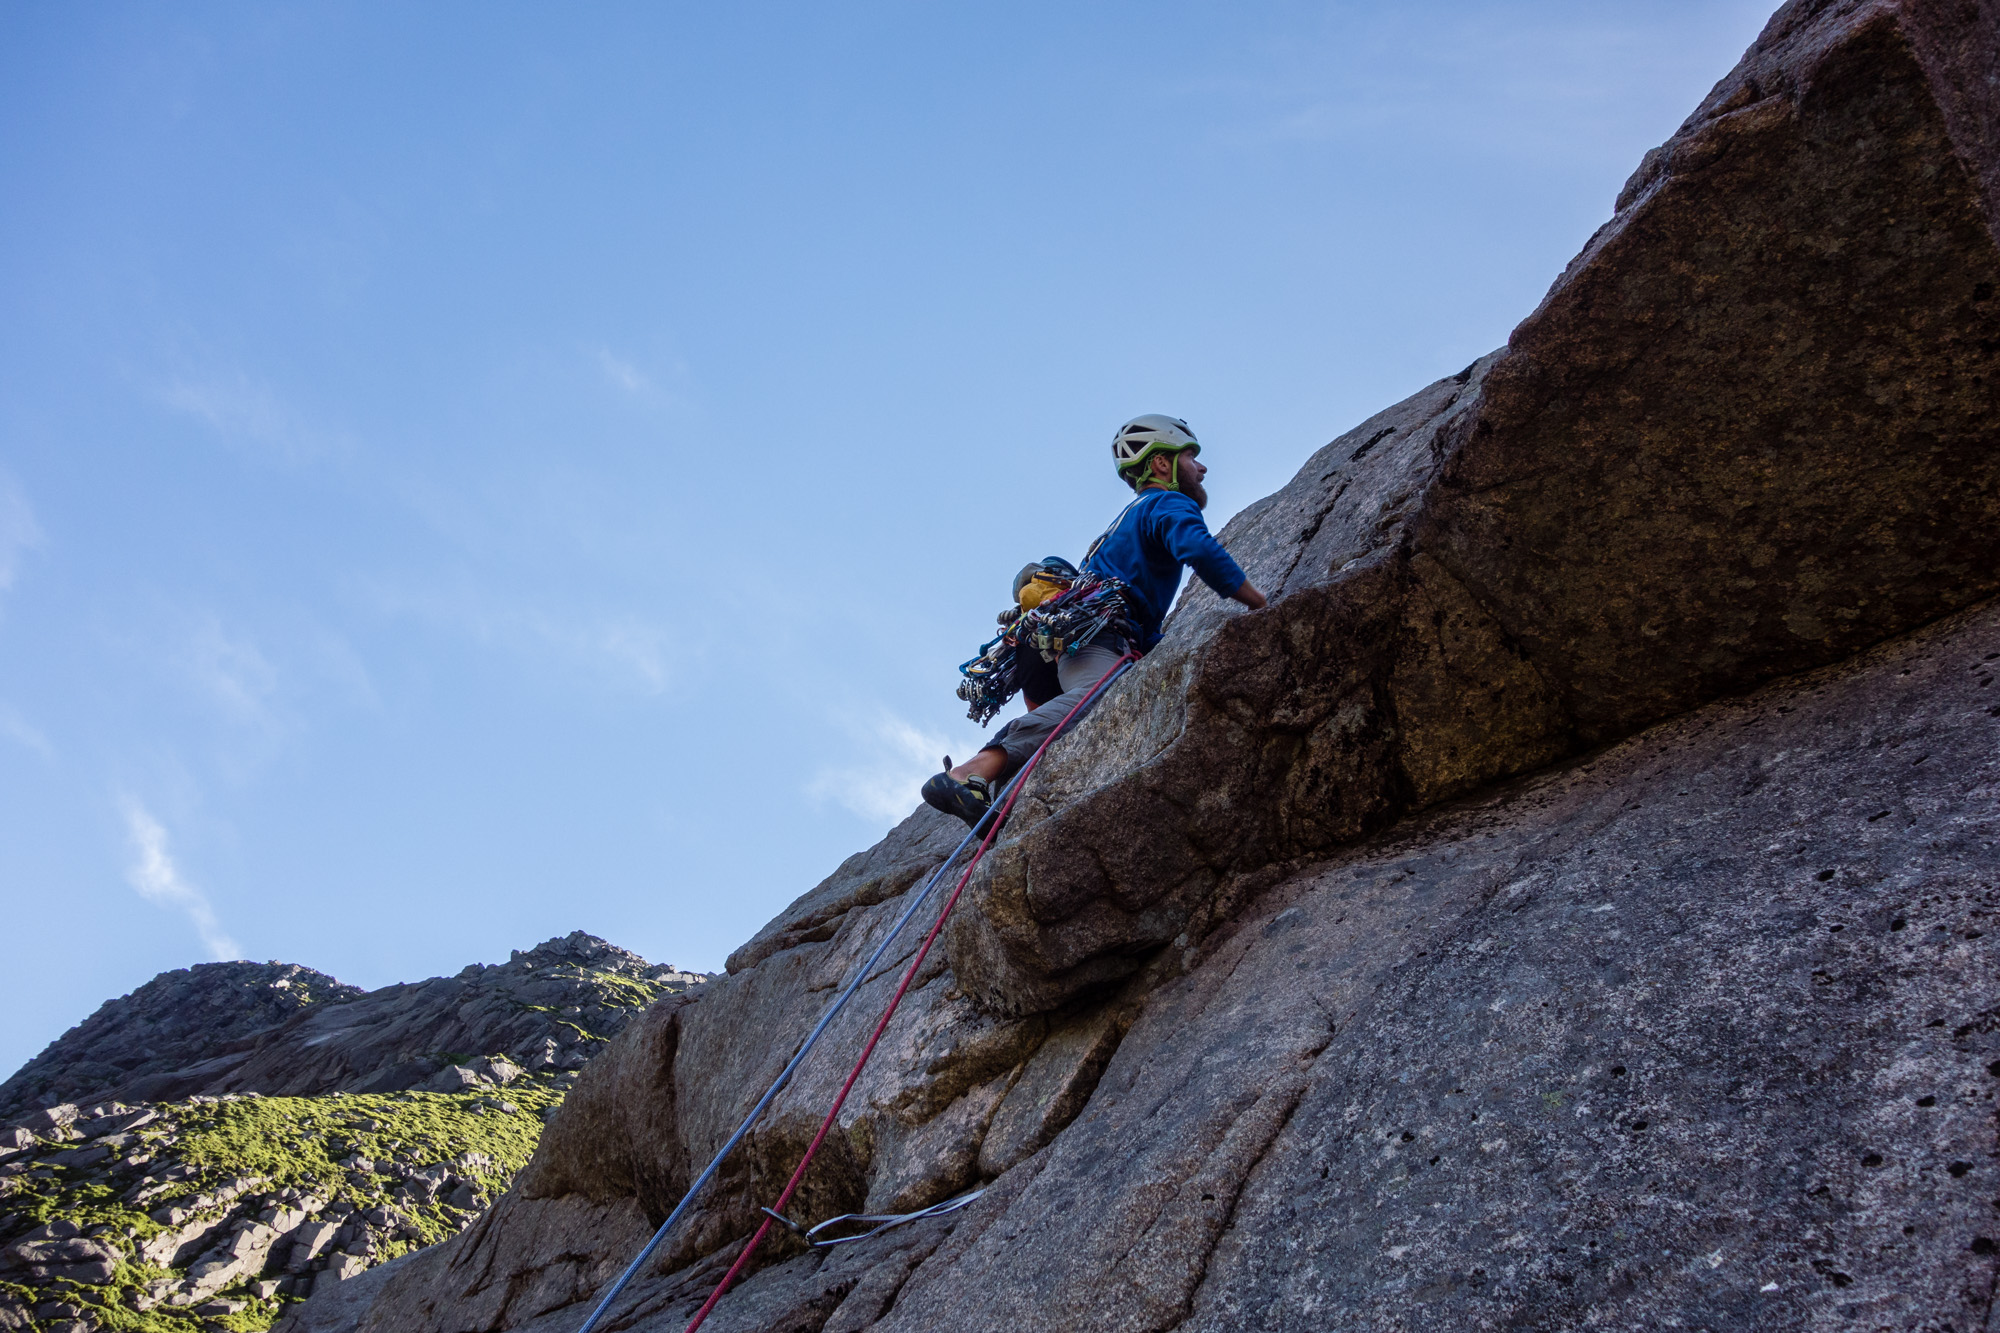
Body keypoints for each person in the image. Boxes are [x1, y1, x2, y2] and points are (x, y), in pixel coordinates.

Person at [921, 414, 1267, 828]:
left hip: (1050, 651)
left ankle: (995, 804)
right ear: (1161, 464)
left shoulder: (1120, 525)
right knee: (1098, 696)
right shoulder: (1166, 502)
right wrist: (1258, 602)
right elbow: (1199, 549)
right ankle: (969, 772)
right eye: (1191, 457)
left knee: (1063, 717)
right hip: (1092, 639)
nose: (1202, 468)